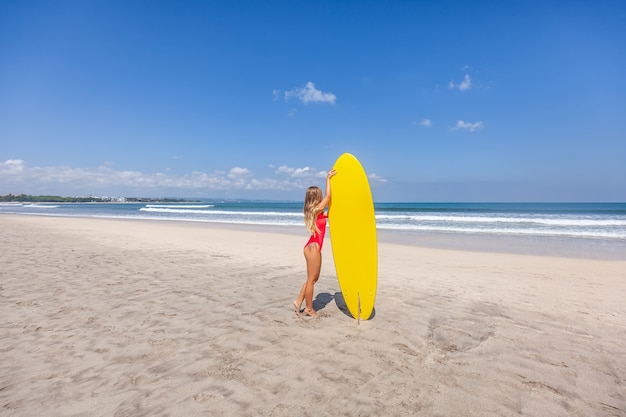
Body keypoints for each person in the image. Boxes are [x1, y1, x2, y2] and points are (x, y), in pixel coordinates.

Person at [293, 169, 337, 317]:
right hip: (313, 248)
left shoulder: (315, 211)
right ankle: (309, 308)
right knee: (312, 280)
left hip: (312, 247)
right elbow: (329, 196)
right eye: (319, 195)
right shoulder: (316, 209)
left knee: (313, 278)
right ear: (316, 197)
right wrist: (328, 179)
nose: (321, 197)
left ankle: (299, 300)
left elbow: (329, 214)